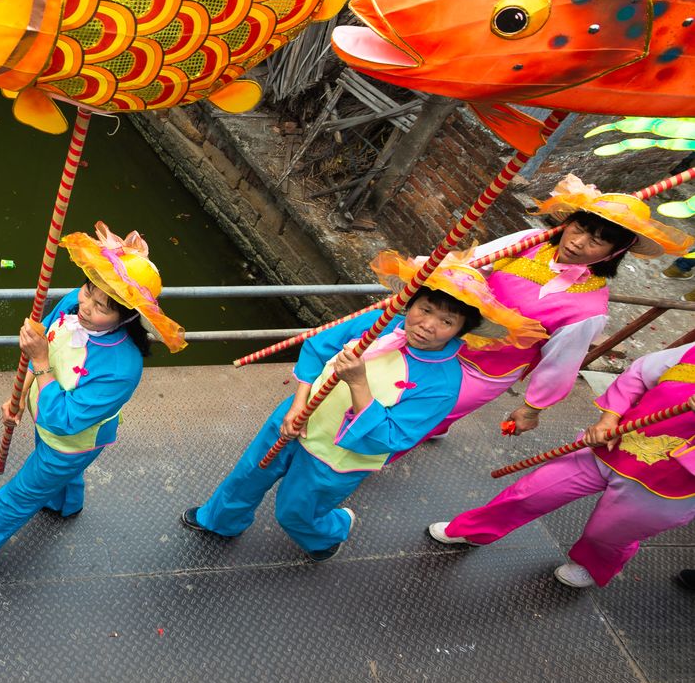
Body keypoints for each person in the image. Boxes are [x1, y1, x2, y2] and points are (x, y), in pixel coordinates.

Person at [183, 252, 542, 561]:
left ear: (461, 330)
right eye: (425, 308)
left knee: (296, 511)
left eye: (446, 321)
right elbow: (320, 347)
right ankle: (219, 520)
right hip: (299, 416)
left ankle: (330, 532)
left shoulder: (443, 385)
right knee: (249, 474)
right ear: (411, 301)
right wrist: (299, 401)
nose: (428, 325)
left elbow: (392, 437)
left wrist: (357, 382)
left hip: (339, 455)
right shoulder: (378, 322)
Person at [0, 222, 187, 562]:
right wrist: (19, 398)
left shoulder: (123, 368)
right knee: (57, 482)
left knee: (21, 493)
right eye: (89, 290)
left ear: (128, 316)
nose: (86, 306)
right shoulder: (73, 302)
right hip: (44, 410)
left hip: (71, 443)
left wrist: (39, 361)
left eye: (103, 307)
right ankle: (66, 505)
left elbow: (62, 421)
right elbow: (44, 341)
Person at [430, 176, 689, 440]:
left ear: (614, 253)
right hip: (442, 335)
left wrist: (532, 409)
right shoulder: (531, 240)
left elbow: (560, 365)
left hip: (484, 370)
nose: (578, 242)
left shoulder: (588, 311)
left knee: (431, 414)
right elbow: (473, 264)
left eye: (596, 241)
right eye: (578, 228)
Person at [429, 341, 695, 588]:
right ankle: (475, 530)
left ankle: (592, 565)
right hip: (612, 444)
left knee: (606, 534)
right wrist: (609, 418)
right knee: (533, 491)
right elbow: (639, 373)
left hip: (671, 483)